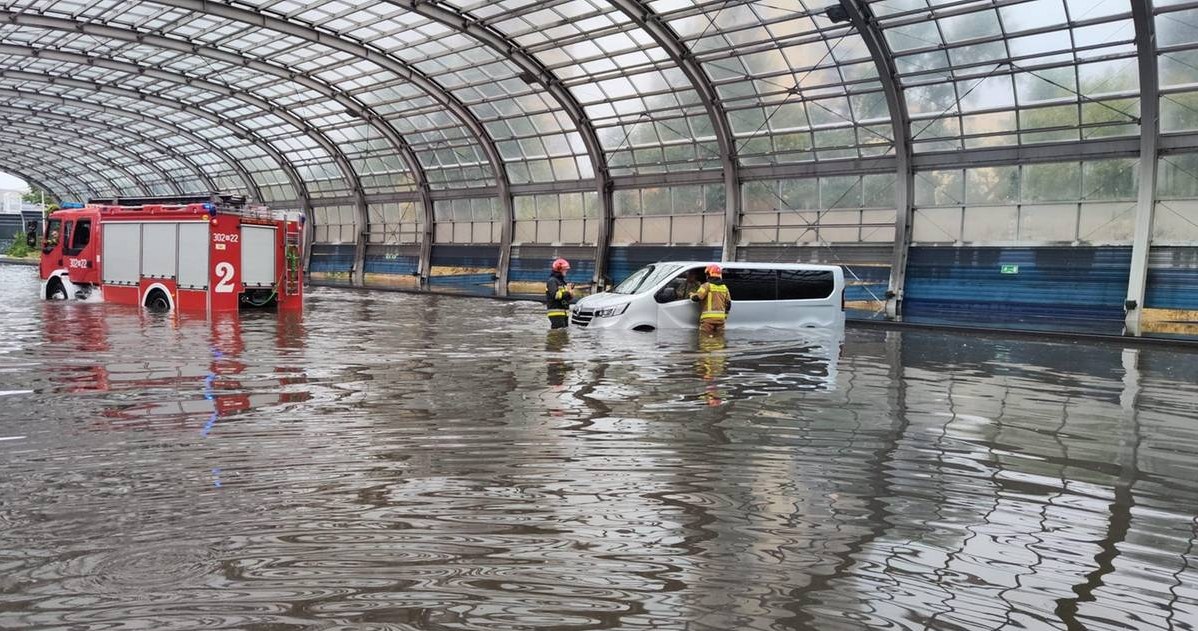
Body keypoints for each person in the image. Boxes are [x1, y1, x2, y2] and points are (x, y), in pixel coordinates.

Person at [689, 263, 731, 335]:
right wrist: (724, 317)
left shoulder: (706, 286)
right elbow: (728, 305)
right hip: (721, 320)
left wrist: (691, 295)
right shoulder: (724, 288)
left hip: (708, 319)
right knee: (719, 338)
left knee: (706, 339)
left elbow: (697, 298)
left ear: (709, 274)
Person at [546, 257, 574, 329]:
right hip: (556, 313)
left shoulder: (561, 282)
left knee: (563, 336)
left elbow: (566, 298)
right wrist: (568, 292)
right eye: (565, 269)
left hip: (563, 312)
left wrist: (571, 292)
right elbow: (555, 295)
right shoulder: (552, 281)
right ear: (559, 269)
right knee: (556, 336)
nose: (566, 271)